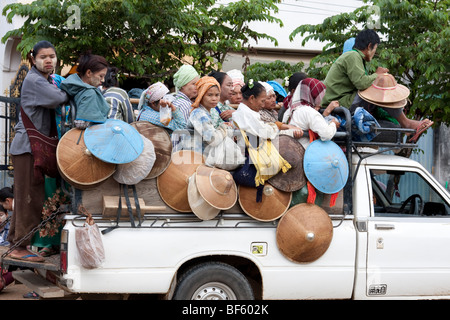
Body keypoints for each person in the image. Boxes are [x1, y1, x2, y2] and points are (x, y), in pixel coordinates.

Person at [8, 41, 68, 262]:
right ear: (34, 59)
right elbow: (59, 98)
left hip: (28, 147)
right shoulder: (35, 80)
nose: (49, 60)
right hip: (27, 148)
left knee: (26, 196)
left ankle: (16, 243)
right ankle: (19, 246)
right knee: (30, 198)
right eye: (43, 57)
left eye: (52, 56)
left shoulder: (44, 80)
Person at [322, 29, 432, 137]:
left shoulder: (355, 57)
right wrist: (377, 75)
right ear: (369, 46)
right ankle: (406, 123)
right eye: (375, 48)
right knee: (382, 88)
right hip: (339, 102)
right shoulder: (353, 56)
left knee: (380, 88)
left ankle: (406, 123)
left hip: (344, 99)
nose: (375, 52)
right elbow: (361, 83)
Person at [282, 78, 340, 149]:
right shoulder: (308, 112)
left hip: (288, 152)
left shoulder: (289, 111)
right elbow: (326, 134)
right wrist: (333, 124)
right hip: (304, 155)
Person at [61, 53, 110, 129]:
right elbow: (82, 124)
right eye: (101, 76)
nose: (103, 80)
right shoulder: (89, 93)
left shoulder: (75, 88)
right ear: (89, 73)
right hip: (85, 138)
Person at [187, 76, 234, 155]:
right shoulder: (199, 114)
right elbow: (213, 140)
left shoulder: (206, 112)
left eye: (217, 95)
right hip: (195, 160)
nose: (214, 98)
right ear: (201, 96)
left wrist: (221, 127)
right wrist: (225, 128)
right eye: (210, 95)